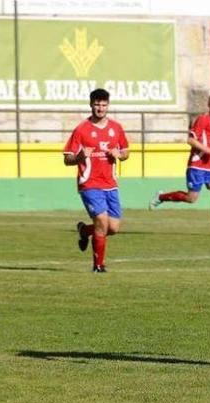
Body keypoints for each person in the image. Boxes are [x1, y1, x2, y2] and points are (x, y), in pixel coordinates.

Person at [63, 88, 129, 273]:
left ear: (108, 106)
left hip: (110, 184)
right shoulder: (81, 129)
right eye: (97, 104)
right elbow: (67, 159)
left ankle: (84, 231)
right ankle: (98, 265)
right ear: (91, 104)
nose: (100, 108)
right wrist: (79, 157)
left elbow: (125, 152)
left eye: (104, 104)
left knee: (113, 228)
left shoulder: (116, 128)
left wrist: (120, 155)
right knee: (101, 221)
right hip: (89, 184)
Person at [150, 94, 210, 236]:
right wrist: (209, 150)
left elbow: (209, 142)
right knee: (192, 198)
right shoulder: (203, 119)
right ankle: (161, 197)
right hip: (197, 165)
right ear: (209, 105)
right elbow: (191, 140)